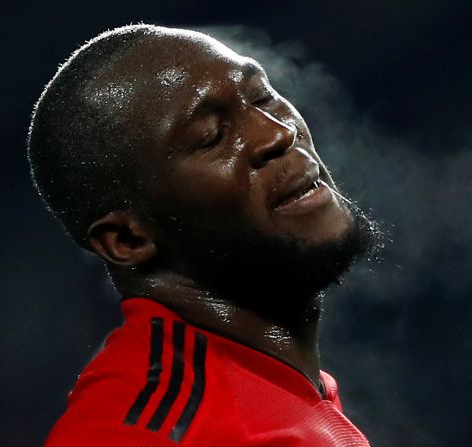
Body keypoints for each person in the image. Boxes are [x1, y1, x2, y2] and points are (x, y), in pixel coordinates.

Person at [27, 23, 380, 446]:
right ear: (127, 239)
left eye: (263, 97)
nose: (278, 133)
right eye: (211, 137)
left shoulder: (277, 392)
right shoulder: (140, 432)